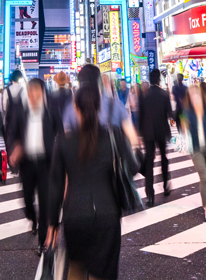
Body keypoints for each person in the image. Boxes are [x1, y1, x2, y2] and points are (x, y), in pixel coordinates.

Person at [45, 84, 139, 280]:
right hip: (107, 214)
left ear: (76, 108)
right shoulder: (113, 135)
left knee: (76, 269)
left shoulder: (63, 141)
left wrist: (52, 223)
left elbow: (55, 184)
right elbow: (134, 167)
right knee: (103, 273)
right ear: (98, 107)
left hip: (75, 215)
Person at [10, 77, 62, 251]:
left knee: (46, 202)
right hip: (27, 162)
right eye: (30, 92)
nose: (33, 96)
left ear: (42, 93)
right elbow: (12, 132)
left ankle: (42, 241)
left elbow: (61, 134)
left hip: (46, 163)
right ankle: (32, 217)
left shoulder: (51, 111)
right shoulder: (21, 110)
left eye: (36, 92)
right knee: (27, 198)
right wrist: (15, 148)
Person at [182, 82, 206, 222]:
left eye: (196, 94)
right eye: (191, 96)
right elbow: (183, 129)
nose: (195, 97)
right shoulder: (187, 113)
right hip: (196, 149)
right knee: (204, 177)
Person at [138, 68, 172, 206]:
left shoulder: (143, 96)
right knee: (164, 157)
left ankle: (150, 196)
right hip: (161, 130)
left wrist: (140, 134)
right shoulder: (164, 94)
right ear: (159, 80)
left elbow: (140, 116)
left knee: (149, 163)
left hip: (148, 132)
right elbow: (170, 113)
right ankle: (165, 185)